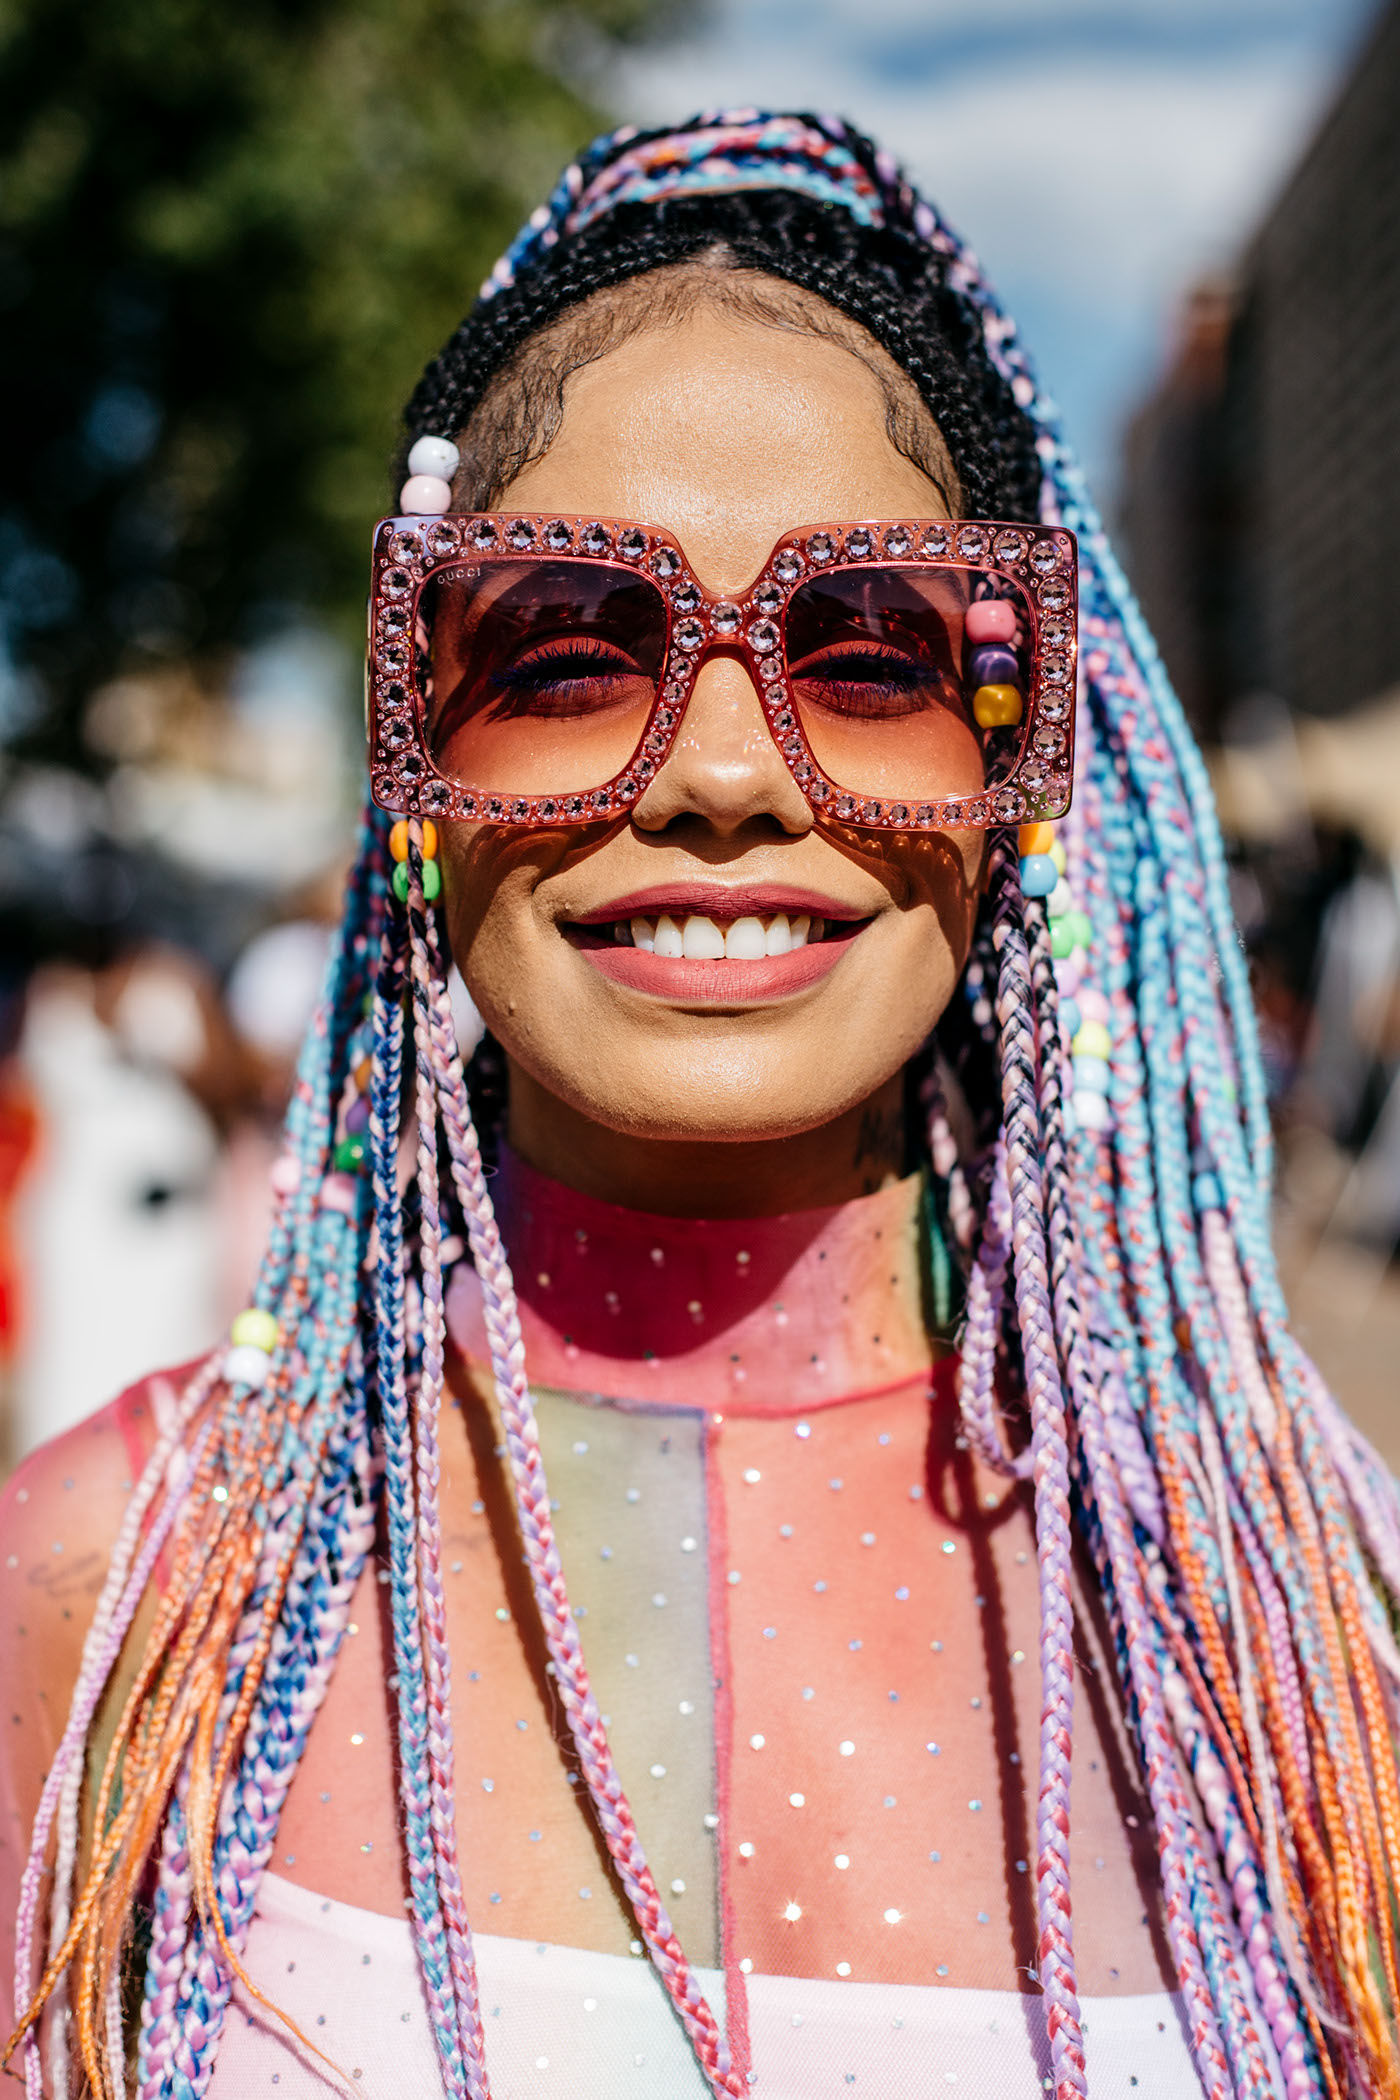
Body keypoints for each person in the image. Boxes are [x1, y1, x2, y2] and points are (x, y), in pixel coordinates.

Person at [3, 111, 1397, 2100]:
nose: (727, 773)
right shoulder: (120, 1580)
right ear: (411, 750)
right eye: (563, 648)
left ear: (1027, 779)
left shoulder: (1300, 1632)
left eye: (874, 651)